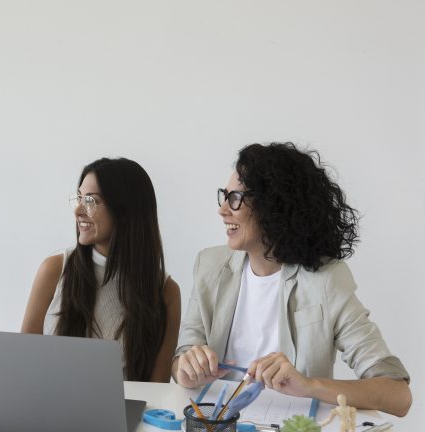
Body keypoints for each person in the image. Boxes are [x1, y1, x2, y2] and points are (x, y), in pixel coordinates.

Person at [172, 142, 411, 416]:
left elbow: (398, 394)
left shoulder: (326, 281)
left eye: (235, 198)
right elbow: (182, 358)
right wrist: (185, 369)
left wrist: (309, 385)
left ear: (273, 206)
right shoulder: (209, 266)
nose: (223, 209)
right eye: (223, 196)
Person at [21, 157, 180, 382]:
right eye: (79, 198)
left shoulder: (166, 291)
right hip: (49, 411)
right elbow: (23, 364)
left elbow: (157, 392)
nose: (78, 210)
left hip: (125, 415)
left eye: (90, 201)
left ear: (124, 211)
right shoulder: (54, 270)